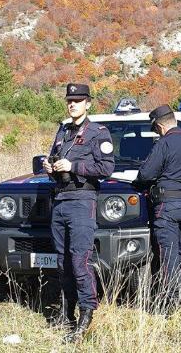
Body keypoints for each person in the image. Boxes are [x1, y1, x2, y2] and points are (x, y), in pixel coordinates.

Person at [43, 83, 114, 343]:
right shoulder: (63, 130)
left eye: (78, 100)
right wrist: (50, 166)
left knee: (79, 261)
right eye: (69, 100)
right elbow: (54, 157)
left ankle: (86, 315)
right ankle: (66, 312)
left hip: (82, 200)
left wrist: (74, 165)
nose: (72, 104)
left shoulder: (98, 132)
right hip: (60, 199)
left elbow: (106, 167)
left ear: (88, 103)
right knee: (62, 262)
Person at [134, 104, 181, 312]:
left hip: (167, 206)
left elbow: (146, 174)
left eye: (154, 128)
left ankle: (169, 302)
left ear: (159, 126)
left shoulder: (163, 144)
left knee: (168, 254)